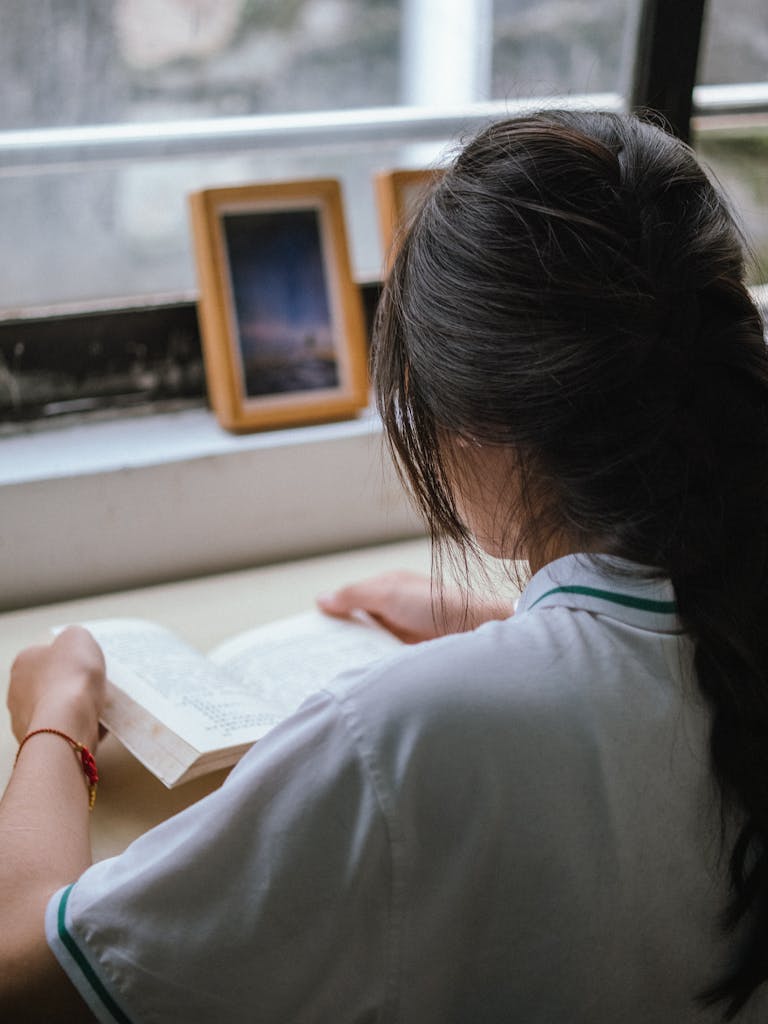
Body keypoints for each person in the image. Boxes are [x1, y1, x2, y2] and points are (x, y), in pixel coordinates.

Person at [2, 109, 768, 1023]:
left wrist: (55, 721)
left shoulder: (404, 736)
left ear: (477, 424)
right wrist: (508, 629)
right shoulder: (732, 605)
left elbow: (27, 976)